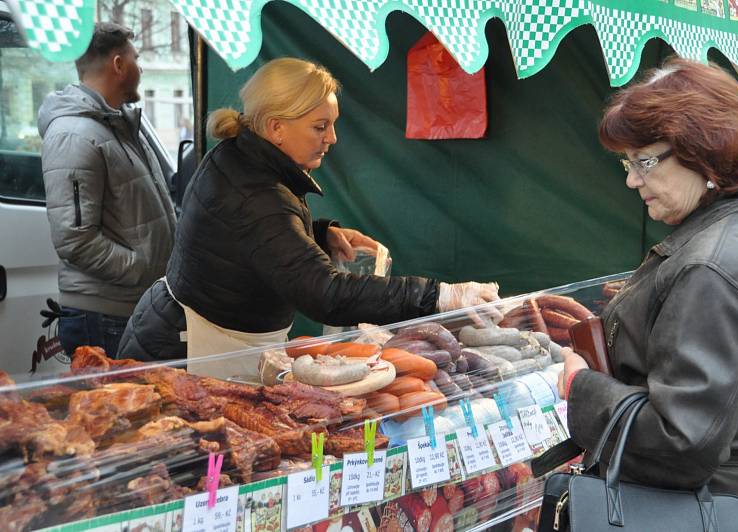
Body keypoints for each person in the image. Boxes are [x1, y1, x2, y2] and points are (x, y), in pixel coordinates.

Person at [119, 57, 500, 371]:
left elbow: (250, 244)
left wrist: (318, 236)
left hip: (191, 334)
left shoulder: (241, 156)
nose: (331, 138)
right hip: (188, 352)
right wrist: (439, 295)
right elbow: (325, 293)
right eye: (320, 126)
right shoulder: (255, 192)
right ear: (276, 127)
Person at [557, 59, 738, 532]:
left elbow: (682, 442)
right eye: (628, 163)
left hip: (695, 509)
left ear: (703, 151)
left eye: (644, 161)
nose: (631, 180)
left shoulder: (713, 266)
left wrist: (581, 386)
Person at [37, 22, 176, 358]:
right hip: (103, 315)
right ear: (118, 64)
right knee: (111, 411)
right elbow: (74, 238)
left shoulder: (121, 125)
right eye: (136, 58)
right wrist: (140, 268)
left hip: (130, 305)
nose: (139, 68)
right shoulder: (75, 134)